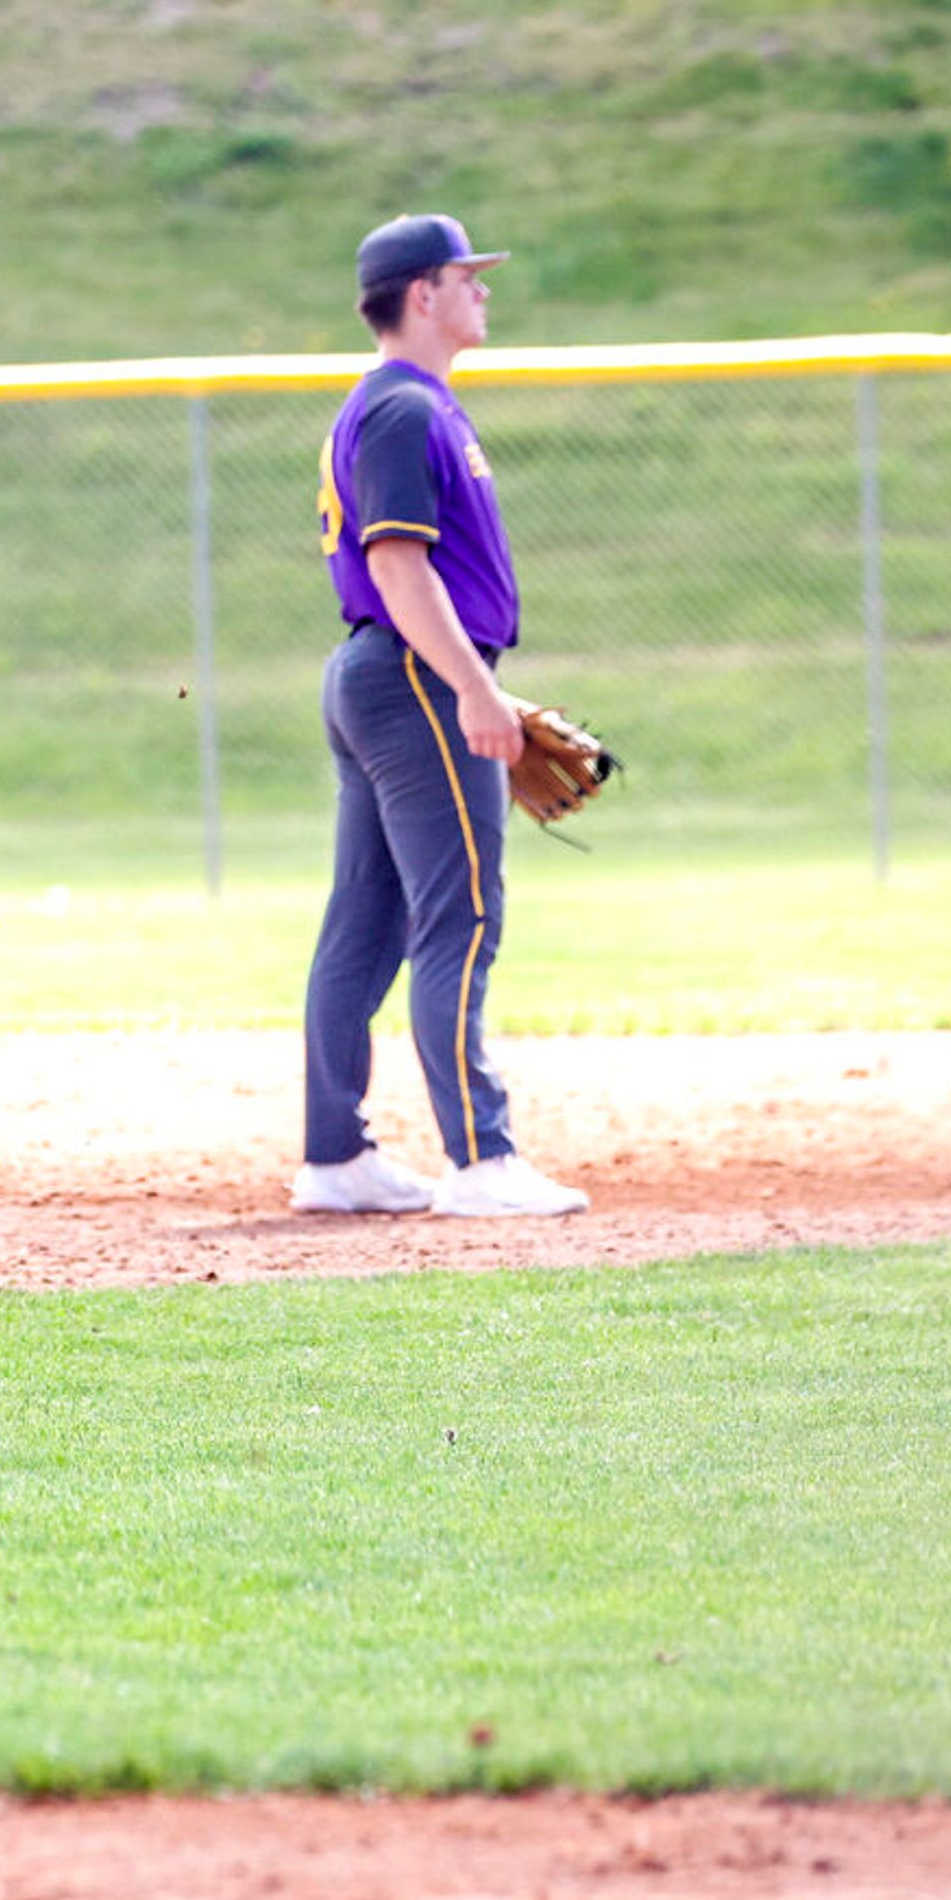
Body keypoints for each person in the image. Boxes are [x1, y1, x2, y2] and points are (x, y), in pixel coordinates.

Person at [293, 214, 591, 1222]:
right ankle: (481, 1157)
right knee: (458, 911)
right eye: (470, 277)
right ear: (423, 293)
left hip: (389, 673)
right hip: (415, 676)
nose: (484, 293)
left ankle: (336, 1158)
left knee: (368, 920)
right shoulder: (402, 412)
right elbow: (397, 564)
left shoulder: (405, 406)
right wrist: (475, 687)